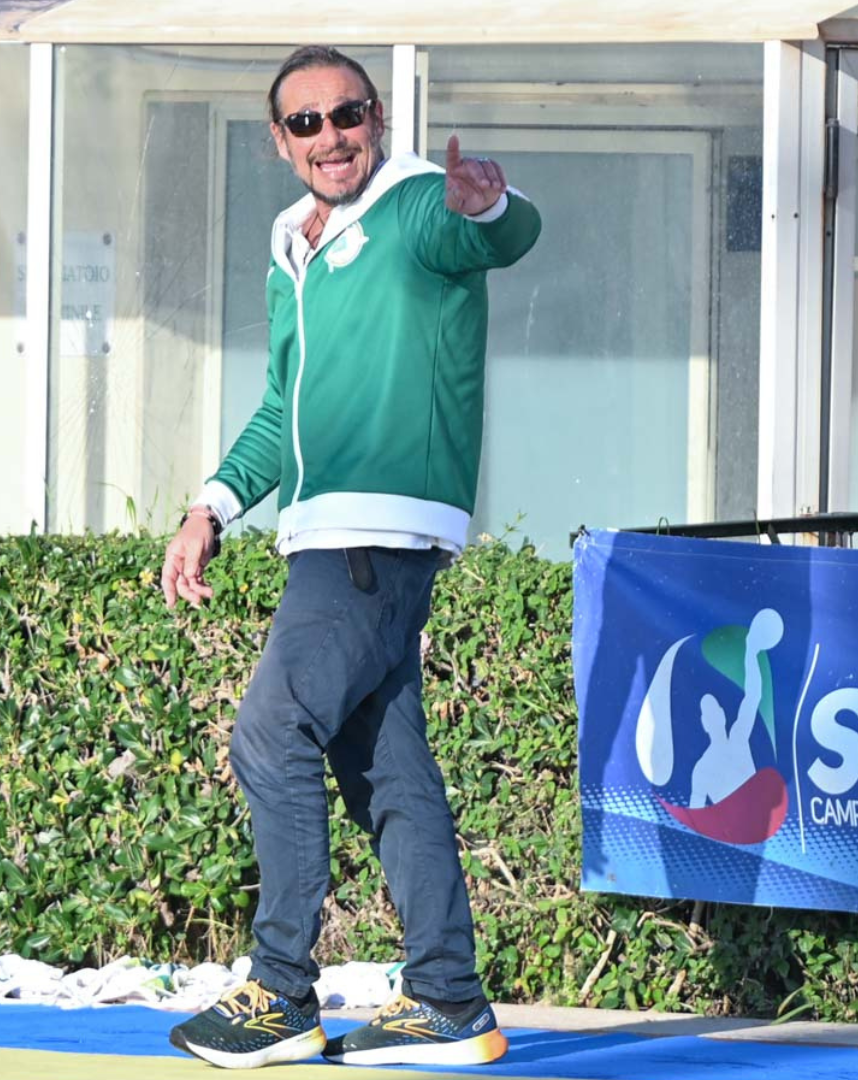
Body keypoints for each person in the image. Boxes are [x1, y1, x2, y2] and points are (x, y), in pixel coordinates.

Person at [159, 45, 540, 1068]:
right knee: (385, 769)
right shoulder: (293, 245)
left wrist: (488, 205)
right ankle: (449, 999)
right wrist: (210, 509)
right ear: (282, 143)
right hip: (323, 535)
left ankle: (282, 989)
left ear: (376, 117)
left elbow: (502, 235)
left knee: (269, 734)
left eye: (347, 115)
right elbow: (284, 406)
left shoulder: (419, 205)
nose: (332, 137)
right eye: (307, 123)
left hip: (371, 537)